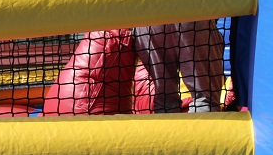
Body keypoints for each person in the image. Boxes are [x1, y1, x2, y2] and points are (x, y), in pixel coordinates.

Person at [44, 20, 229, 115]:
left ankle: (173, 153)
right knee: (205, 100)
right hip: (188, 9)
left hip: (145, 16)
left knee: (165, 101)